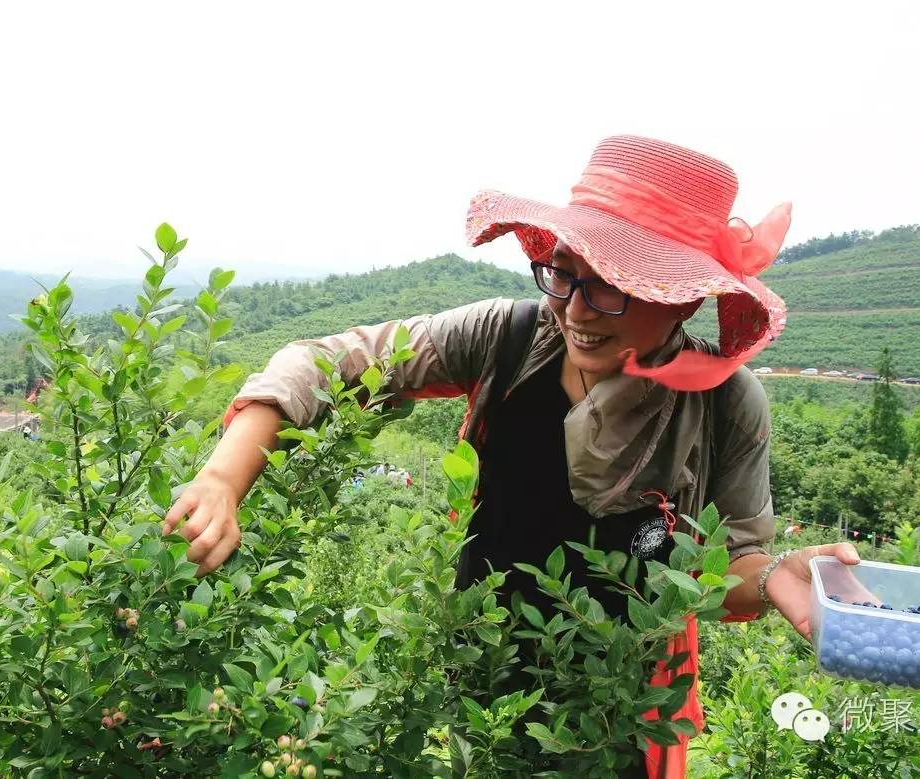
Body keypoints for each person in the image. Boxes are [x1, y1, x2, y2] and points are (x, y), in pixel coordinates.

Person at [162, 136, 862, 778]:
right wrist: (226, 476)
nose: (578, 311)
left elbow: (731, 566)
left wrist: (771, 576)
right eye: (563, 274)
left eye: (612, 285)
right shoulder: (508, 337)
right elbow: (328, 359)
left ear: (681, 302)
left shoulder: (726, 404)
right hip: (478, 673)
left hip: (621, 706)